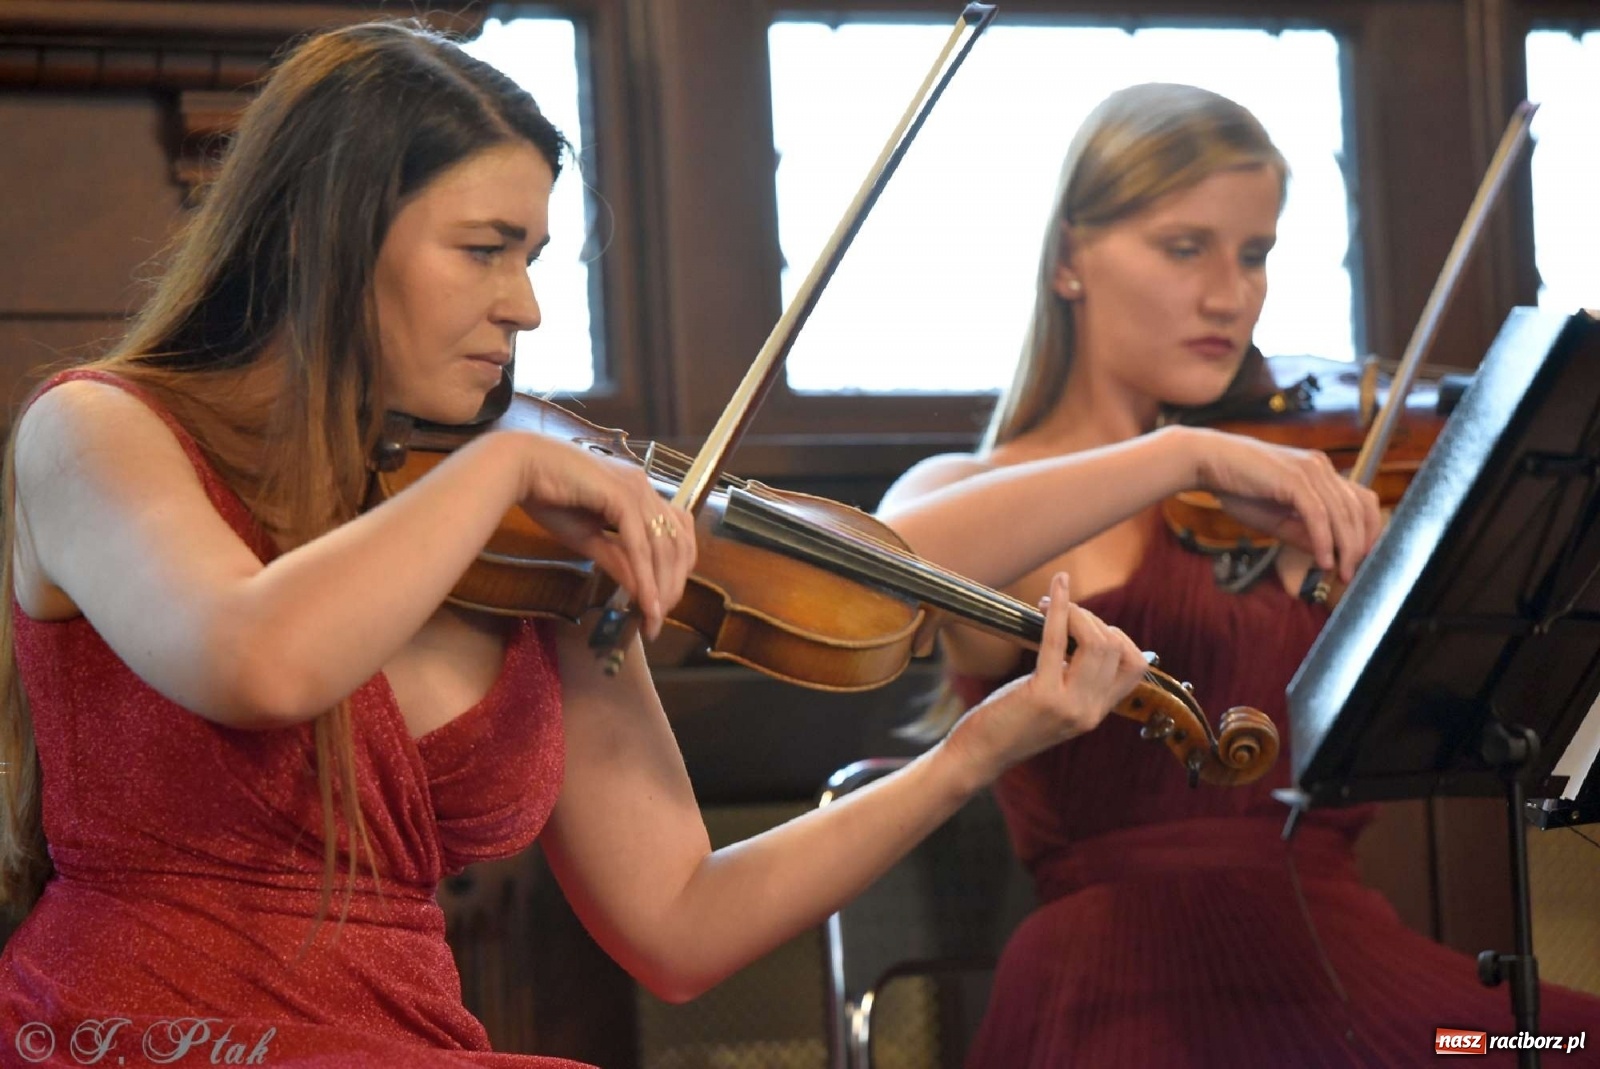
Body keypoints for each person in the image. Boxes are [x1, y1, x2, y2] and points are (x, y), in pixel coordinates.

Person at [0, 21, 1172, 1069]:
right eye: (485, 248)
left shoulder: (540, 552)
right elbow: (253, 659)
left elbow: (679, 923)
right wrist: (501, 467)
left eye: (534, 258)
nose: (526, 307)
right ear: (324, 237)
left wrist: (972, 752)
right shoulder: (98, 431)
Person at [877, 83, 1600, 1067]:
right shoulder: (984, 490)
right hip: (1117, 994)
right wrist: (1181, 455)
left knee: (1563, 1043)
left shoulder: (1297, 483)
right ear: (1067, 260)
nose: (1230, 295)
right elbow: (883, 563)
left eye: (1254, 254)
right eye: (1186, 247)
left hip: (1341, 970)